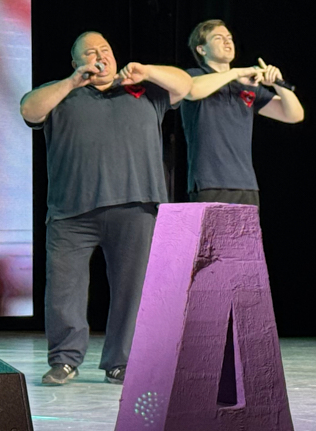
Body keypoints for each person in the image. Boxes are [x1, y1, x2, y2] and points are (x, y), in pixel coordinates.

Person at [20, 31, 192, 386]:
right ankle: (64, 360)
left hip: (135, 205)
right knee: (64, 290)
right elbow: (28, 109)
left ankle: (121, 361)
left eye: (105, 50)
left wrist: (147, 71)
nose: (100, 56)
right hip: (71, 211)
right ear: (76, 62)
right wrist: (72, 82)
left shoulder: (143, 90)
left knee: (132, 289)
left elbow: (185, 85)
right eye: (90, 52)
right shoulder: (63, 94)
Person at [179, 19, 305, 205]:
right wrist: (235, 73)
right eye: (218, 38)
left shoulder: (246, 86)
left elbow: (294, 115)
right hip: (211, 184)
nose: (227, 42)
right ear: (202, 49)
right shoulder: (195, 75)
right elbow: (192, 90)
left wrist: (277, 84)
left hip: (246, 186)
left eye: (229, 38)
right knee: (211, 227)